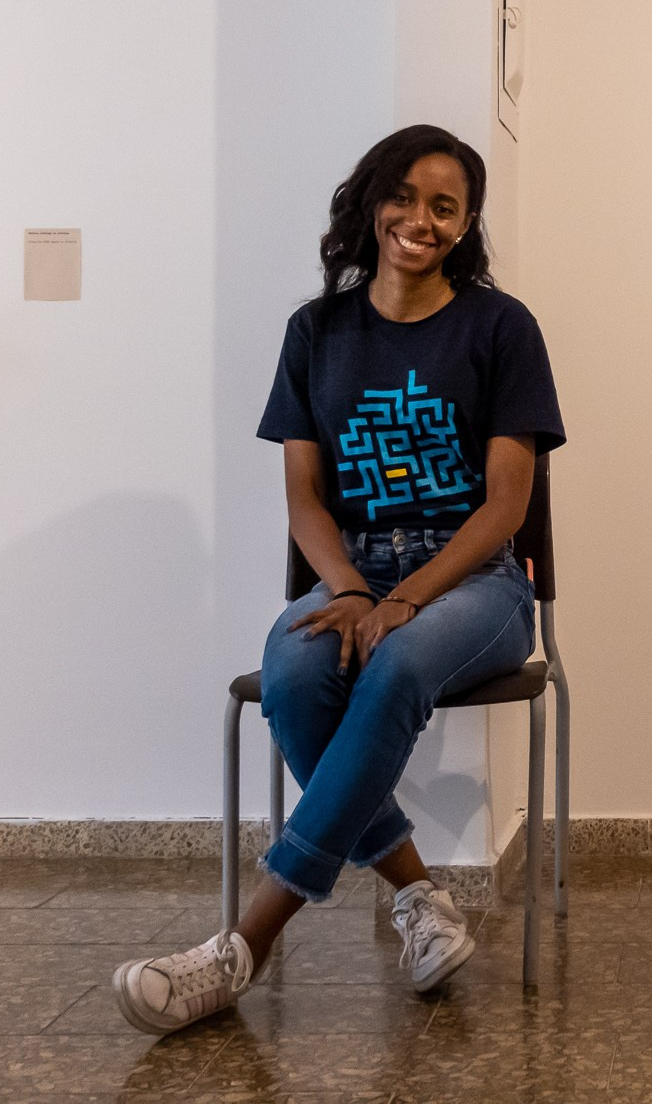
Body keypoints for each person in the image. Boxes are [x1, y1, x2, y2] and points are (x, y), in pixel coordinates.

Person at [112, 125, 565, 1035]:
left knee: (394, 666)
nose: (420, 220)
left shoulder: (500, 325)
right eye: (404, 197)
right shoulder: (315, 332)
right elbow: (306, 500)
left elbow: (504, 509)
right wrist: (355, 592)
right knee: (291, 673)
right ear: (370, 202)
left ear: (467, 223)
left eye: (446, 206)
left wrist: (403, 599)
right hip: (353, 572)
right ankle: (418, 899)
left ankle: (242, 944)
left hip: (473, 581)